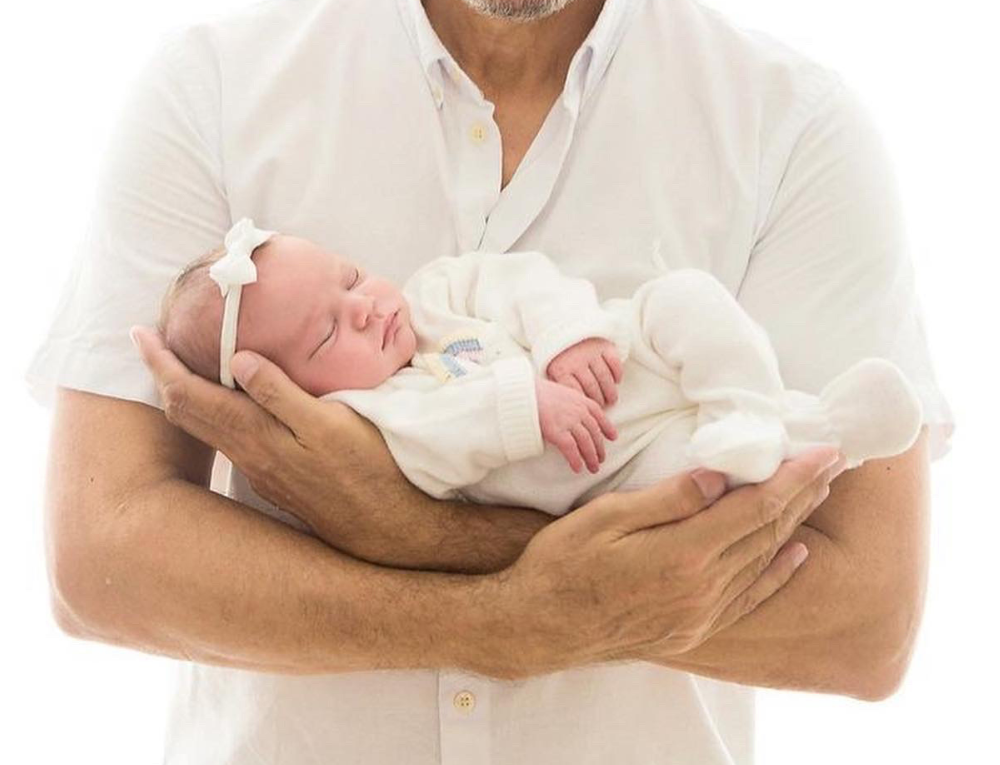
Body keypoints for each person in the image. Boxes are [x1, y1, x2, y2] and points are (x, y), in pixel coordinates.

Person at [30, 0, 954, 765]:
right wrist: (504, 619)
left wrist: (408, 529)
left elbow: (862, 623)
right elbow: (102, 560)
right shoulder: (214, 88)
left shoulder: (793, 131)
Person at [159, 219, 923, 509]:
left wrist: (566, 336)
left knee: (685, 298)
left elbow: (516, 276)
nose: (365, 307)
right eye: (327, 335)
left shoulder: (434, 293)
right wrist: (531, 404)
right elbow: (443, 438)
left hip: (626, 360)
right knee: (686, 487)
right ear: (285, 393)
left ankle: (750, 403)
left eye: (352, 278)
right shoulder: (370, 421)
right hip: (608, 464)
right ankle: (823, 431)